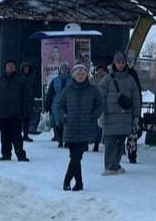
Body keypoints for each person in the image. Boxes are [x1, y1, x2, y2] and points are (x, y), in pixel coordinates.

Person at [53, 63, 104, 191]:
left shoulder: (93, 90)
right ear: (74, 75)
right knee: (75, 156)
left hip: (86, 128)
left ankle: (67, 180)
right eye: (78, 74)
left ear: (86, 75)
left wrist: (93, 116)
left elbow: (100, 105)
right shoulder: (68, 90)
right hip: (70, 127)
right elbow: (60, 106)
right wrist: (64, 117)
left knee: (77, 156)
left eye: (83, 74)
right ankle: (79, 183)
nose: (80, 76)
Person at [99, 51, 141, 175]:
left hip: (125, 116)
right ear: (114, 63)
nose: (121, 65)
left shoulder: (130, 79)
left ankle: (115, 164)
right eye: (118, 62)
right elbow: (101, 97)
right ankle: (110, 166)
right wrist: (101, 114)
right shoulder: (107, 80)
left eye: (123, 62)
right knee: (110, 142)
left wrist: (136, 116)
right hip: (110, 116)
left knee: (120, 141)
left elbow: (136, 98)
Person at [0, 59, 30, 162]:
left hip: (16, 113)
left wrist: (25, 111)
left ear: (15, 67)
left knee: (17, 135)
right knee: (5, 136)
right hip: (2, 114)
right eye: (8, 66)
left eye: (12, 66)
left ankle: (20, 154)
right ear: (5, 67)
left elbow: (27, 97)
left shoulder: (21, 80)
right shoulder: (0, 81)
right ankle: (6, 154)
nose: (10, 67)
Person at [43, 63, 73, 146]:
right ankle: (59, 139)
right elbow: (50, 93)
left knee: (67, 122)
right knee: (58, 123)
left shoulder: (72, 80)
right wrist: (47, 105)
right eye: (62, 69)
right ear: (60, 70)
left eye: (65, 69)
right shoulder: (55, 80)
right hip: (56, 104)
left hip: (69, 103)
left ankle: (67, 140)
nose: (64, 70)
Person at [91, 64, 108, 151]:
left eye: (102, 70)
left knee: (104, 124)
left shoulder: (108, 79)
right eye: (98, 70)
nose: (100, 72)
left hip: (106, 104)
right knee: (97, 125)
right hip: (96, 103)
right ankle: (96, 142)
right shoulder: (93, 79)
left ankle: (105, 141)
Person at [19, 62, 36, 141]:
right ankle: (19, 135)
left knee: (27, 119)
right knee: (20, 120)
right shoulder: (19, 78)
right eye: (25, 68)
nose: (26, 69)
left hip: (29, 101)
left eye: (27, 68)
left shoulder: (31, 78)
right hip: (21, 101)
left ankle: (25, 135)